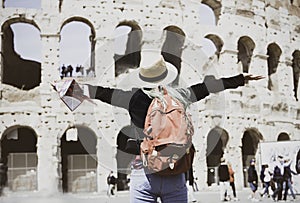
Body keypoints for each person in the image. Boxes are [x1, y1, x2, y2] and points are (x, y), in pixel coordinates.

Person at [65, 51, 263, 203]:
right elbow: (209, 87)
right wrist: (240, 79)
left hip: (143, 171)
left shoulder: (131, 98)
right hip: (175, 170)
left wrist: (69, 88)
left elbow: (102, 93)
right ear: (165, 76)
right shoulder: (180, 96)